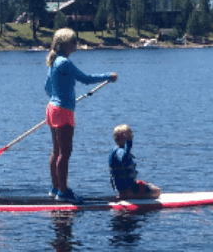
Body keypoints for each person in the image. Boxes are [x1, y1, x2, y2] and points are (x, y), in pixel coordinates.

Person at [45, 28, 117, 203]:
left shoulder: (54, 62)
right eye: (73, 41)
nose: (76, 44)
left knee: (56, 151)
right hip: (63, 111)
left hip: (52, 109)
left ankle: (55, 188)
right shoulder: (65, 63)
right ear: (65, 44)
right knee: (65, 152)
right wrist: (108, 76)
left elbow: (48, 88)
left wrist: (59, 98)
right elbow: (85, 79)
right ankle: (63, 192)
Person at [109, 124, 161, 200]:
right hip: (128, 188)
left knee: (149, 186)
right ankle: (132, 196)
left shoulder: (117, 150)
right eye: (128, 134)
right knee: (157, 191)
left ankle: (126, 194)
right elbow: (124, 160)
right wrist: (129, 144)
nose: (131, 136)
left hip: (124, 187)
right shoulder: (120, 151)